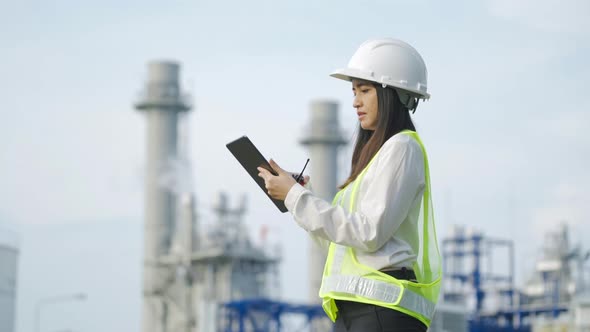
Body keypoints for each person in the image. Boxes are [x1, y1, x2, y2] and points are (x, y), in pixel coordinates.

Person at [258, 38, 441, 332]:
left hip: (380, 310)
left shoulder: (403, 147)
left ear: (390, 92)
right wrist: (301, 197)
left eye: (365, 90)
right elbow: (340, 241)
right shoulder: (376, 159)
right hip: (358, 310)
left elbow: (368, 232)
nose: (355, 101)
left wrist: (295, 197)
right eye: (354, 91)